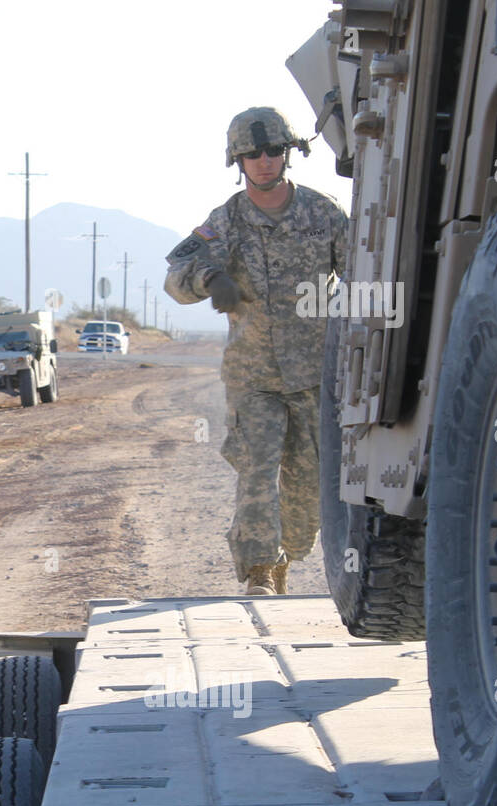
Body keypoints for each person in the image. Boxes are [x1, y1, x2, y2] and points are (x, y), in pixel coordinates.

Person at [164, 107, 349, 596]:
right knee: (257, 472)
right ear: (237, 160)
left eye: (273, 151)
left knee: (308, 485)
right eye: (252, 153)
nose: (264, 161)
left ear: (288, 154)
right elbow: (176, 277)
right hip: (253, 377)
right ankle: (260, 570)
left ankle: (286, 554)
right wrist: (211, 277)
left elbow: (364, 273)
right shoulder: (226, 222)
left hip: (315, 374)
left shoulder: (323, 213)